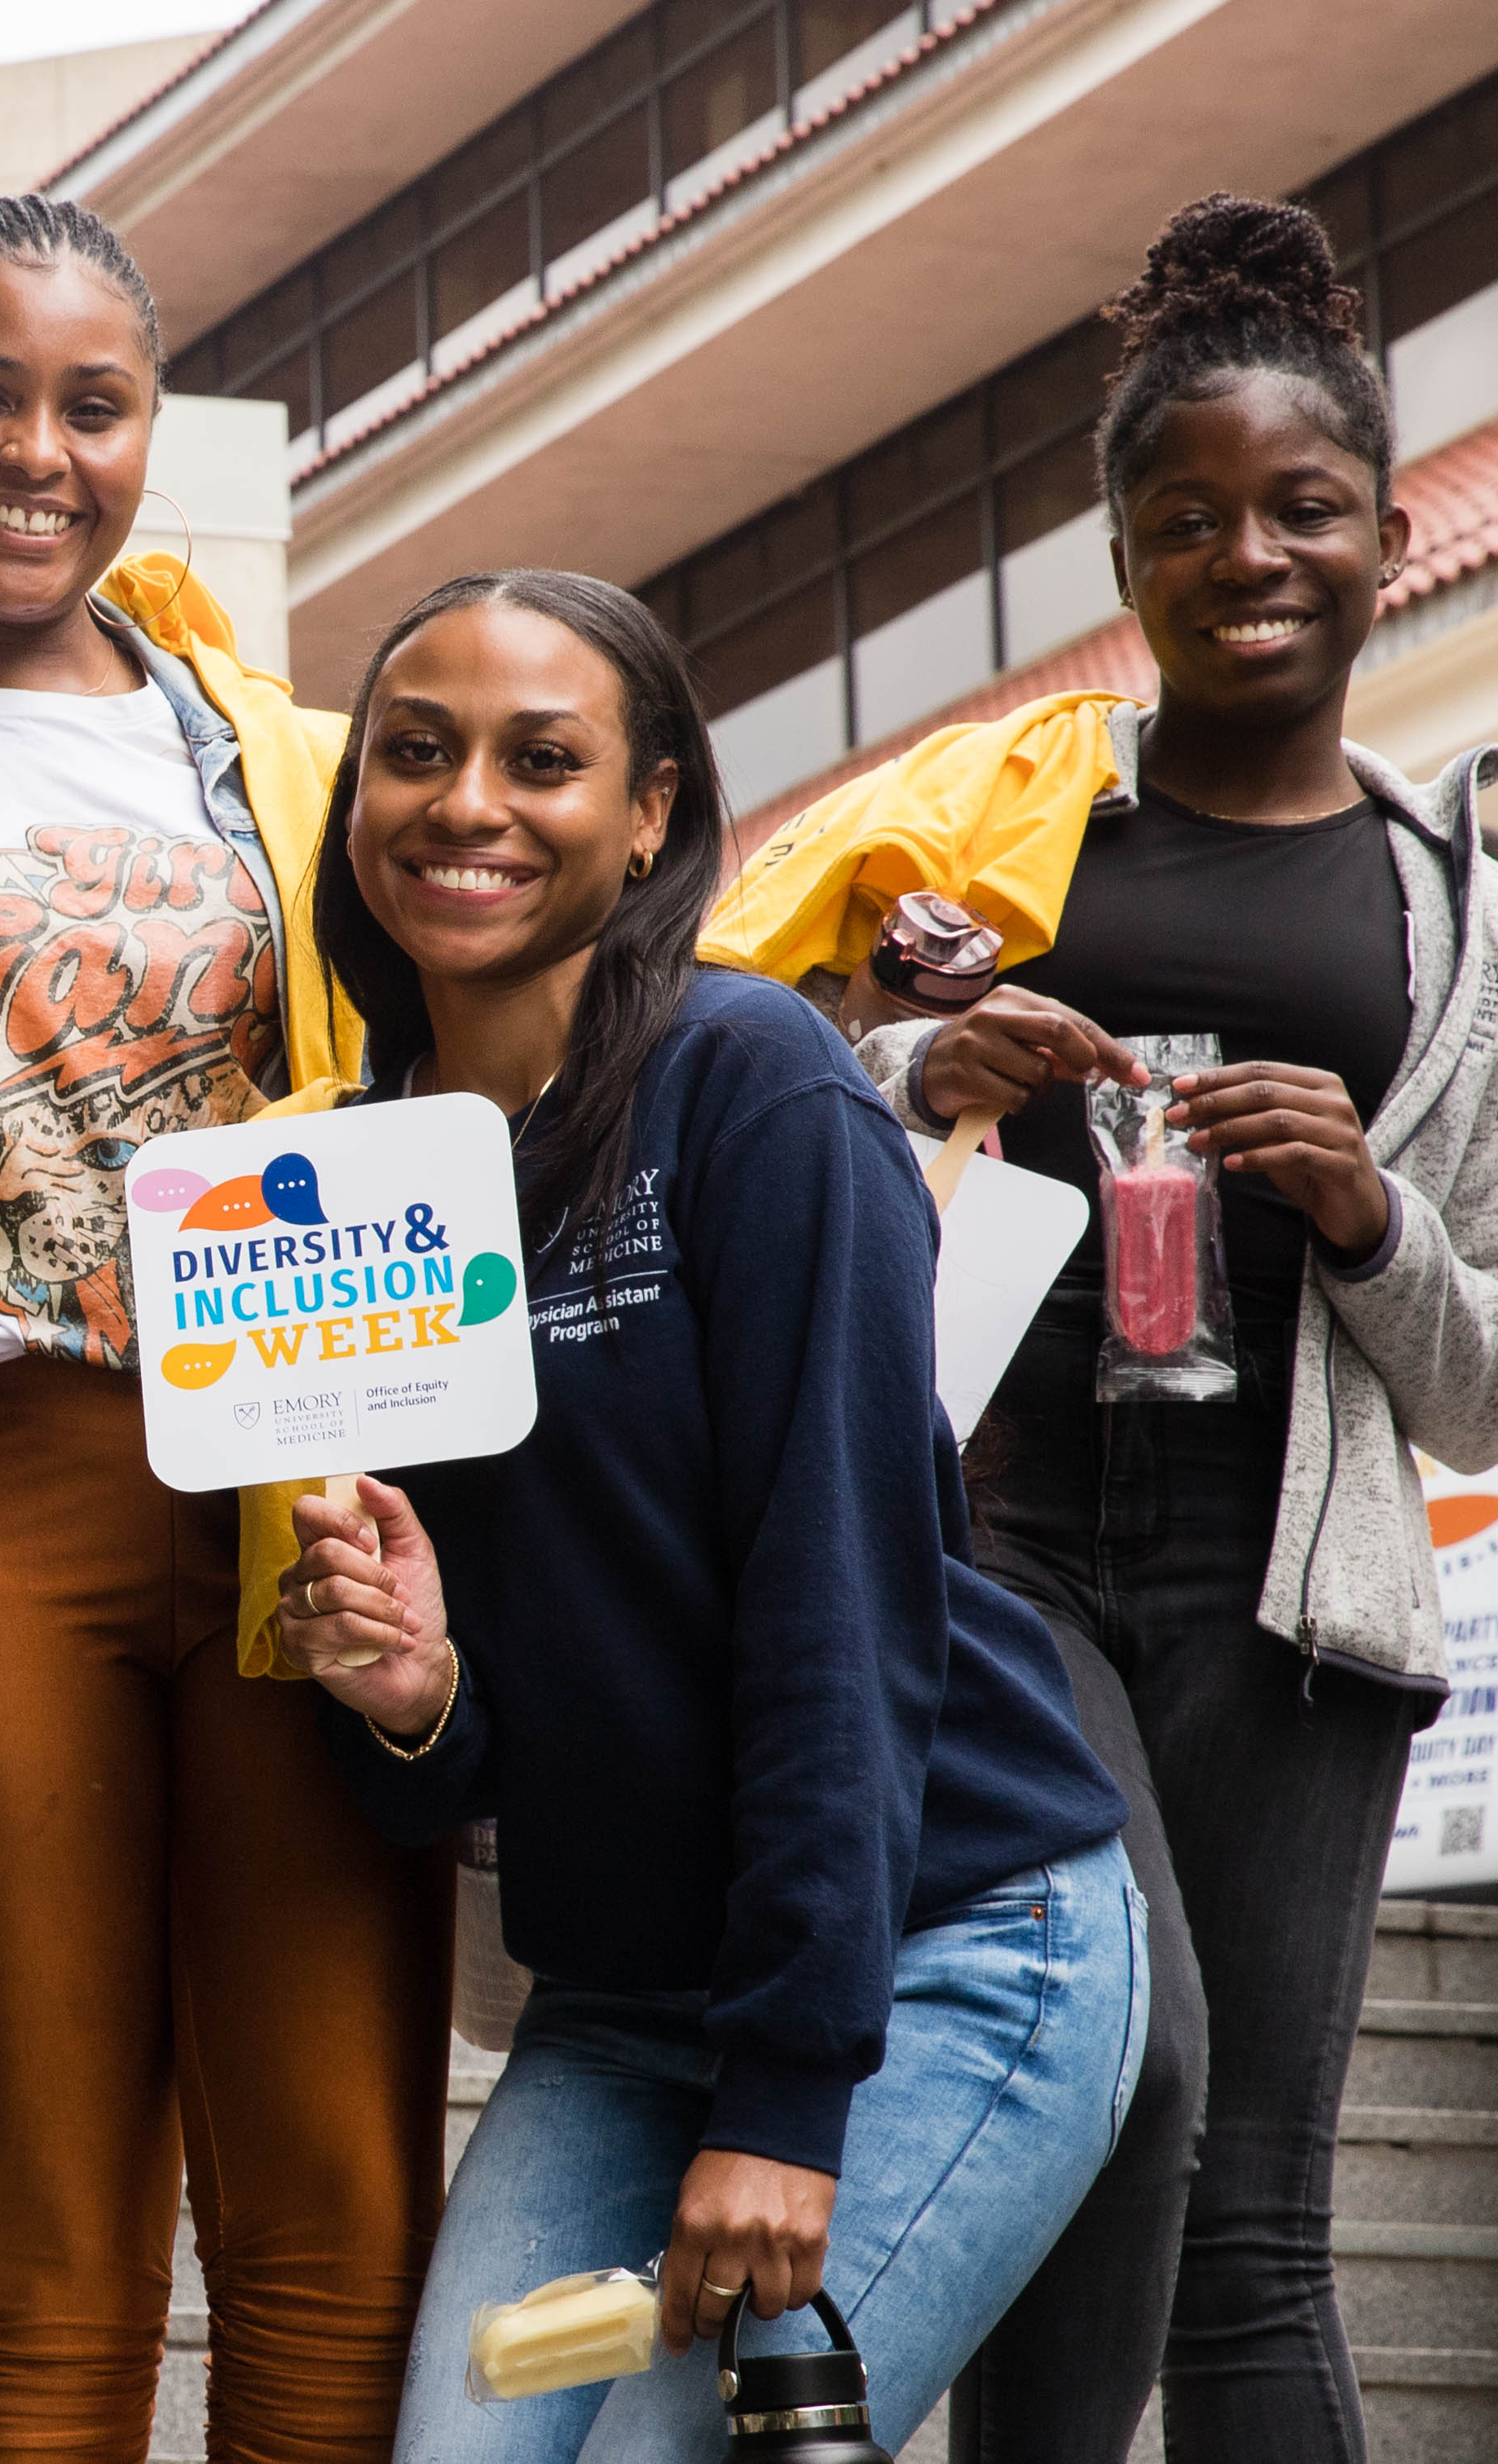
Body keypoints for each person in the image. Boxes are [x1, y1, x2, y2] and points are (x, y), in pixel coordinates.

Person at [809, 198, 1498, 2458]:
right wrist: (914, 1080)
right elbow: (781, 1200)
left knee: (1243, 2222)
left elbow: (1497, 1371)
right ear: (1117, 555)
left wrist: (1358, 1209)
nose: (1247, 553)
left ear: (1387, 536)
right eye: (1184, 519)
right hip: (997, 1537)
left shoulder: (1478, 935)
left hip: (1289, 1594)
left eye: (1301, 510)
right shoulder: (999, 855)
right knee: (1110, 2061)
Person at [271, 567, 1148, 2459]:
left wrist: (778, 2092)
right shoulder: (353, 1178)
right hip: (608, 1992)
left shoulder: (751, 1086)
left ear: (650, 807)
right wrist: (413, 1688)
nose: (465, 803)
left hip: (941, 1951)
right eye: (410, 754)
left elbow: (833, 1606)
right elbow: (465, 1738)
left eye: (541, 758)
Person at [0, 195, 446, 2461]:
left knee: (343, 2224)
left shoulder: (285, 760)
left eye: (91, 402)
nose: (33, 450)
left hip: (293, 1490)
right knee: (53, 2253)